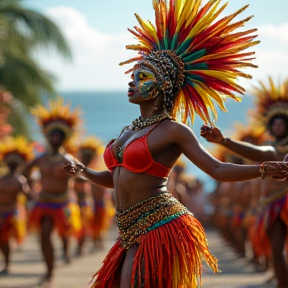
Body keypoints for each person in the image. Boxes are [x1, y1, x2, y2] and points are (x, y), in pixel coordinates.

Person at [64, 1, 288, 287]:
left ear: (163, 86)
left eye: (142, 77)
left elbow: (216, 170)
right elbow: (117, 178)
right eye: (132, 76)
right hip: (128, 229)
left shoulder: (174, 131)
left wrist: (263, 169)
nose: (132, 83)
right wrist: (82, 170)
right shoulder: (126, 130)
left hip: (159, 223)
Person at [201, 77, 288, 288]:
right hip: (272, 206)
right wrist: (224, 142)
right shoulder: (273, 150)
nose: (278, 126)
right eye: (274, 122)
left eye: (282, 122)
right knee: (275, 250)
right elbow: (257, 152)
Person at [24, 99, 82, 286]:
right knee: (44, 237)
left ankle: (65, 253)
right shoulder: (40, 158)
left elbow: (79, 175)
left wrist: (68, 175)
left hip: (63, 203)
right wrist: (30, 189)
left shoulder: (67, 159)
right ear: (48, 137)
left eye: (59, 136)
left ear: (64, 139)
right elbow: (23, 173)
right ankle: (49, 272)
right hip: (43, 202)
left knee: (65, 235)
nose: (55, 138)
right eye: (52, 136)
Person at [0, 137, 33, 275]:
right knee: (2, 241)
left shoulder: (20, 180)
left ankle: (7, 264)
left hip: (12, 214)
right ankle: (6, 262)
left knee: (6, 239)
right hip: (1, 213)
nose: (12, 166)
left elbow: (28, 195)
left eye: (15, 164)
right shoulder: (1, 179)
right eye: (10, 164)